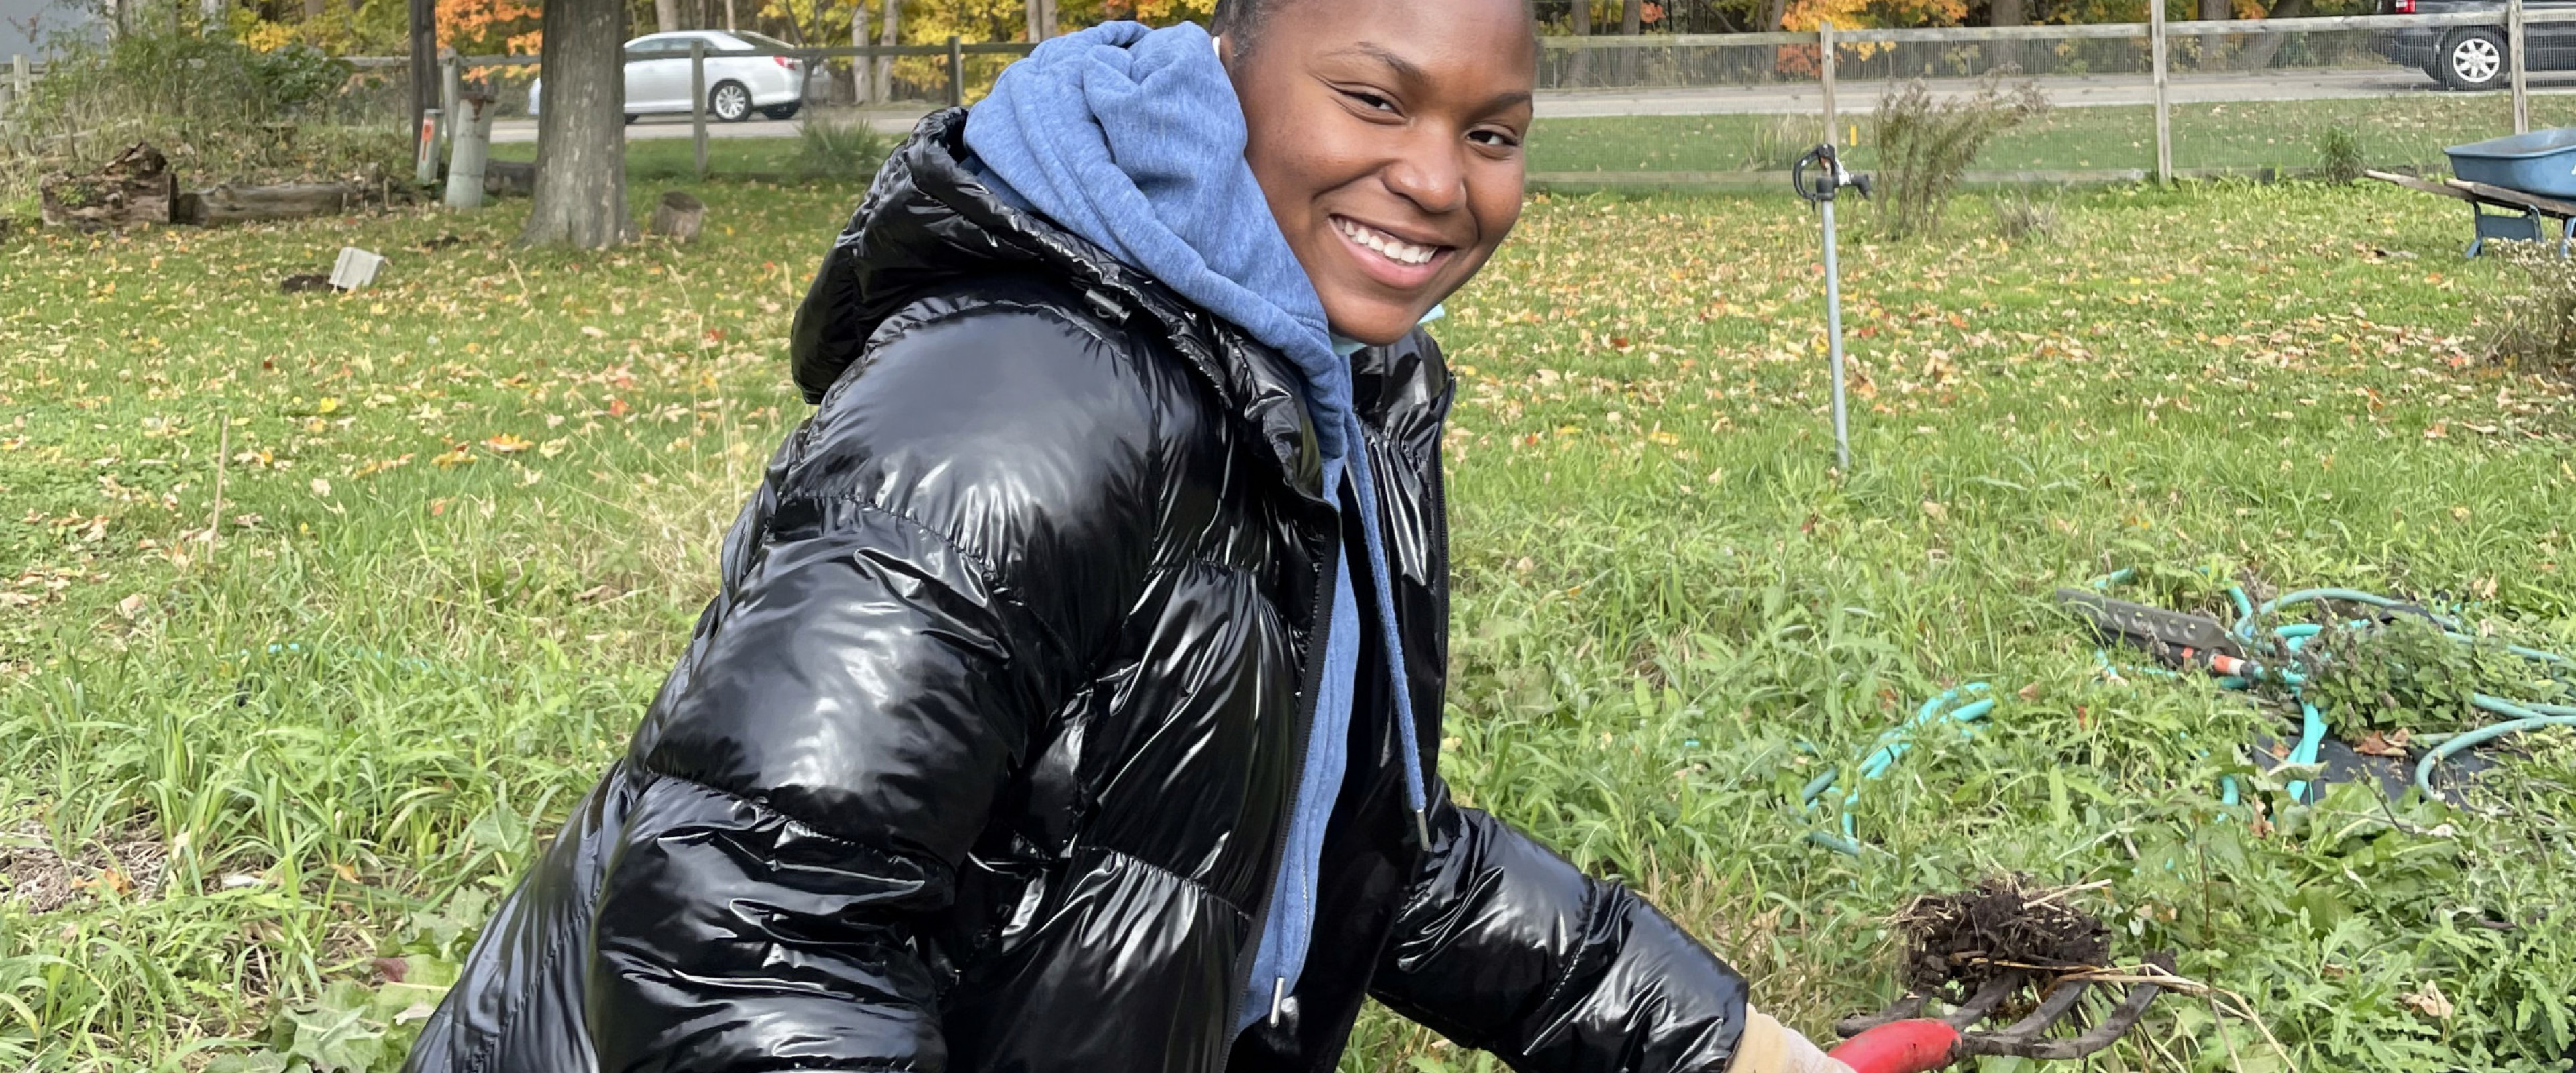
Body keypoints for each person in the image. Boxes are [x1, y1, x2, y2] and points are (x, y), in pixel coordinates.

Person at [401, 1, 1850, 1071]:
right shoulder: (1020, 406)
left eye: (1492, 133)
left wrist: (1730, 1044)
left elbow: (1348, 845)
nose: (1438, 181)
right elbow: (743, 932)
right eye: (1373, 100)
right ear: (1233, 70)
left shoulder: (1331, 386)